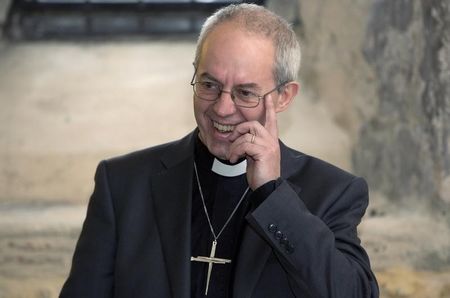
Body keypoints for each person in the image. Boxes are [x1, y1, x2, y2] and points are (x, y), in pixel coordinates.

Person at [60, 3, 379, 298]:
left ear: (283, 97)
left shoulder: (332, 192)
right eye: (209, 84)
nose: (222, 108)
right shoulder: (122, 185)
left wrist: (272, 195)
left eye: (245, 92)